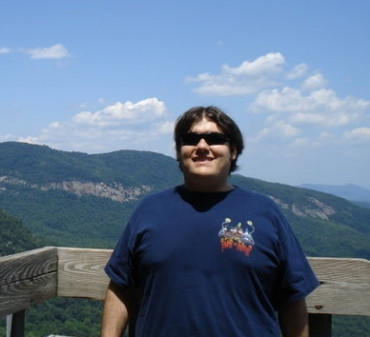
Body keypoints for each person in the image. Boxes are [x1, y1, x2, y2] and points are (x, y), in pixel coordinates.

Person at [101, 106, 319, 337]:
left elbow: (292, 299)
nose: (202, 146)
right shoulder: (149, 210)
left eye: (215, 139)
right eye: (191, 139)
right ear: (178, 152)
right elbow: (121, 287)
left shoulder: (266, 212)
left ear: (233, 151)